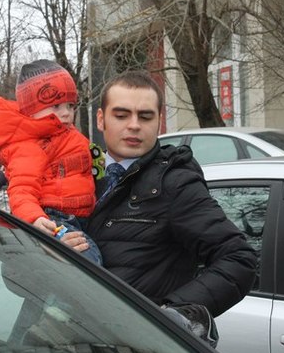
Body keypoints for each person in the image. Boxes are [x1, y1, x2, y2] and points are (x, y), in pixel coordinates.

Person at [85, 70, 257, 328]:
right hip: (68, 336)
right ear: (101, 119)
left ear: (159, 121)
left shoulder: (176, 184)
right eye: (121, 115)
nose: (134, 125)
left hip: (134, 344)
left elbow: (239, 259)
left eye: (145, 116)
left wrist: (174, 315)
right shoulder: (74, 174)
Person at [0, 60, 100, 264]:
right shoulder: (30, 145)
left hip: (81, 216)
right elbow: (21, 190)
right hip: (52, 219)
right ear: (30, 110)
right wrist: (34, 219)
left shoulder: (64, 134)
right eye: (56, 106)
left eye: (70, 105)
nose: (66, 113)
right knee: (89, 260)